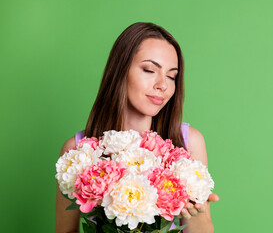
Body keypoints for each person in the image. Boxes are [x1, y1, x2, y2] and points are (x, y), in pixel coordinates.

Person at [55, 22, 219, 233]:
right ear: (120, 70)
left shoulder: (189, 143)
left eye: (171, 76)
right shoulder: (77, 153)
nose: (163, 84)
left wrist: (197, 210)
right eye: (149, 70)